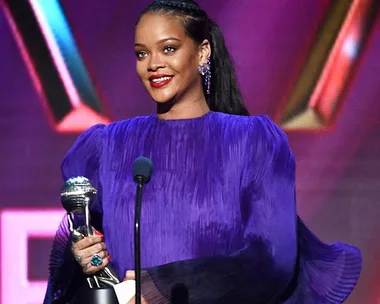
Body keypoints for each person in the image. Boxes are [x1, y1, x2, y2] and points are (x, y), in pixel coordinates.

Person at [43, 0, 362, 303]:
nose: (154, 64)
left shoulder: (252, 141)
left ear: (203, 53)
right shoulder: (106, 147)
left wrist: (161, 287)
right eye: (142, 54)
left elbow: (272, 260)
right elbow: (79, 270)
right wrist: (87, 256)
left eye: (169, 48)